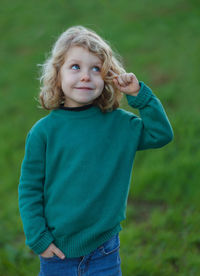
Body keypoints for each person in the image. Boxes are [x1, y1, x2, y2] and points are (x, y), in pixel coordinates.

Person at [18, 25, 174, 276]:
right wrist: (39, 238)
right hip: (57, 251)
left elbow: (161, 134)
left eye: (96, 69)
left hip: (104, 251)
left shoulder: (120, 125)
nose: (85, 76)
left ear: (108, 77)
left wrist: (138, 94)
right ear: (58, 74)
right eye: (75, 67)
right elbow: (30, 189)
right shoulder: (43, 132)